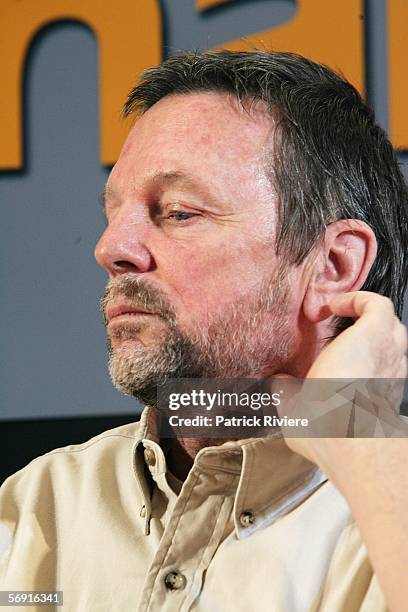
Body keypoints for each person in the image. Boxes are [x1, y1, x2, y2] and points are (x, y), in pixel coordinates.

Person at [0, 50, 407, 611]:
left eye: (178, 212)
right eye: (112, 215)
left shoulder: (386, 500)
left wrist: (353, 426)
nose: (109, 249)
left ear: (332, 267)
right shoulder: (38, 505)